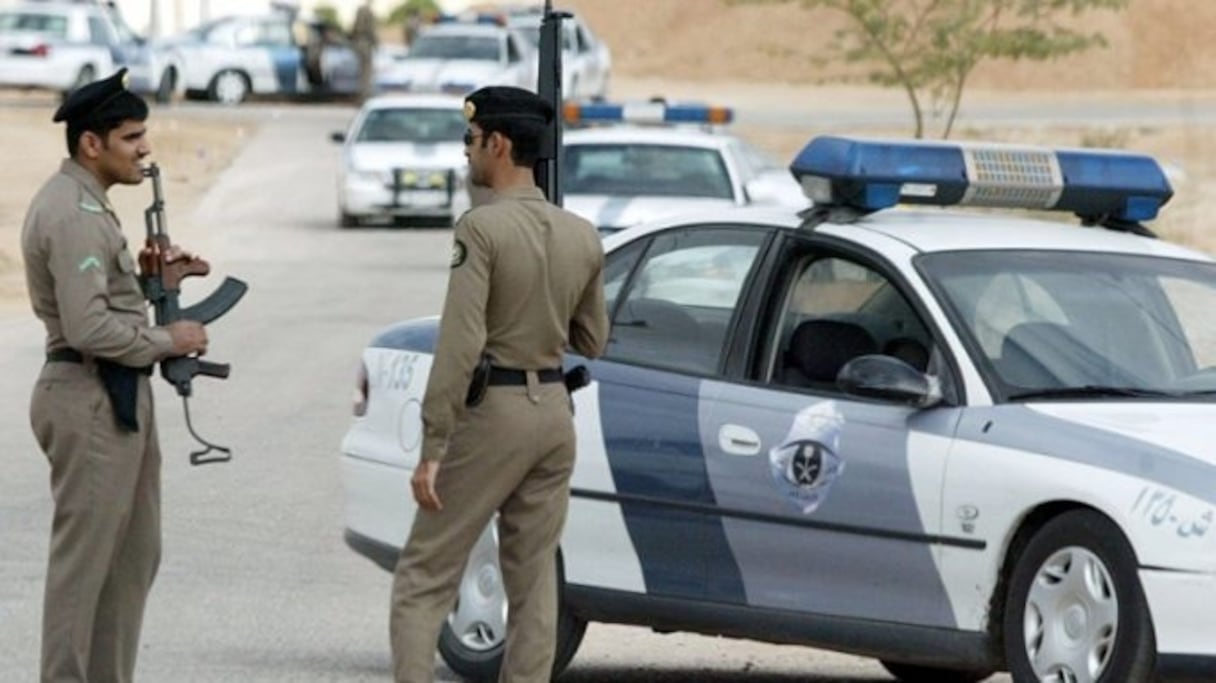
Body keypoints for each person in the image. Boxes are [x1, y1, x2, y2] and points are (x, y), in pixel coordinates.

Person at [389, 85, 609, 683]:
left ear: (499, 143)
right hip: (553, 416)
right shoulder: (581, 233)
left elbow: (459, 345)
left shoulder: (480, 229)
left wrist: (434, 445)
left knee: (422, 578)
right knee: (533, 579)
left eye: (471, 140)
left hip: (495, 417)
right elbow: (592, 339)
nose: (467, 153)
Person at [21, 67, 209, 682]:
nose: (146, 149)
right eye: (131, 137)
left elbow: (110, 307)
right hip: (88, 393)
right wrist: (168, 338)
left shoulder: (90, 206)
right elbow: (87, 328)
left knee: (130, 559)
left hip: (113, 391)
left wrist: (165, 288)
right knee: (85, 568)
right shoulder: (72, 212)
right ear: (90, 144)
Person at [352, 0, 378, 102]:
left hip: (359, 42)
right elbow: (370, 30)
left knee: (362, 72)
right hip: (366, 43)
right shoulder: (369, 12)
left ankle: (362, 97)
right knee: (366, 73)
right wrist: (376, 44)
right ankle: (365, 97)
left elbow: (354, 27)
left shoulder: (360, 10)